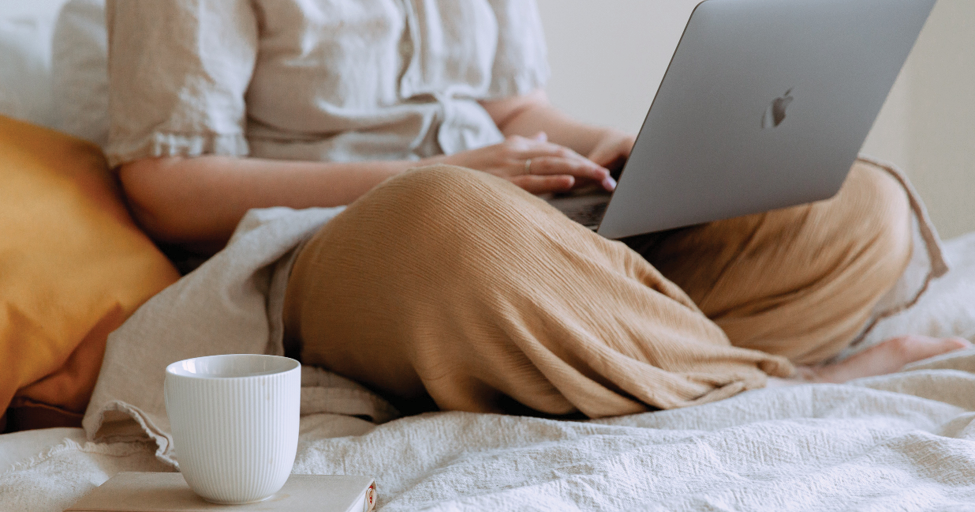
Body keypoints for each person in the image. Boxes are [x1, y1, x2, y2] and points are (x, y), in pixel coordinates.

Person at [105, 0, 969, 416]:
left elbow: (520, 110)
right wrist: (450, 172)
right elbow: (167, 185)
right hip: (360, 240)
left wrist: (622, 152)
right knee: (447, 216)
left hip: (523, 222)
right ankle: (789, 383)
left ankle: (605, 350)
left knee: (860, 205)